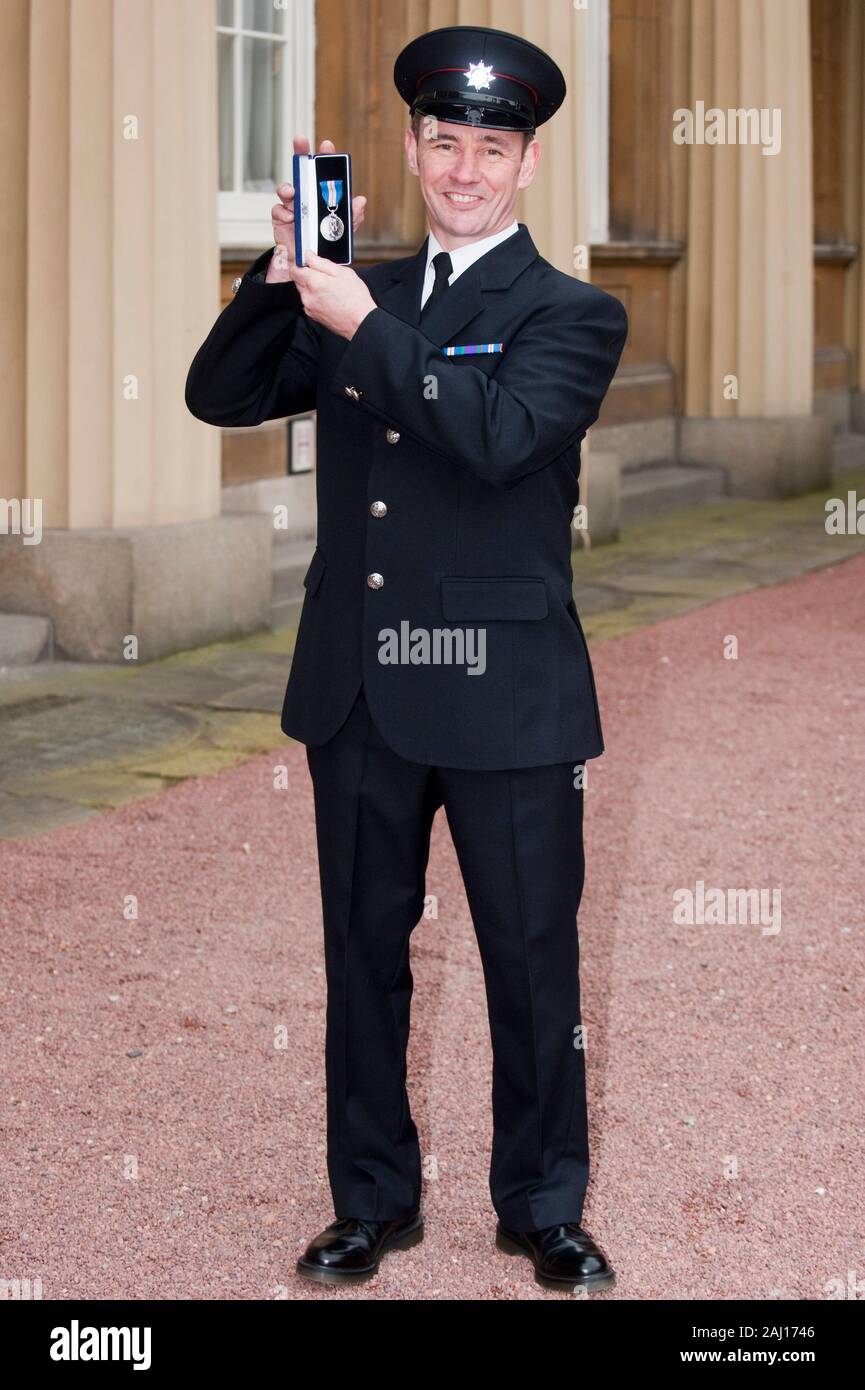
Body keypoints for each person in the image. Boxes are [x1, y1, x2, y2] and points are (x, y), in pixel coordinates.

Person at [185, 24, 628, 1293]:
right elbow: (220, 397)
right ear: (416, 149)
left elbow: (494, 436)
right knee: (360, 960)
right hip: (362, 691)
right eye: (444, 143)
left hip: (510, 698)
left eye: (491, 148)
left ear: (526, 165)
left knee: (531, 962)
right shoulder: (345, 290)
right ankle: (370, 1203)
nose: (464, 169)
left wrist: (360, 314)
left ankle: (544, 1206)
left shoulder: (572, 313)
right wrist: (282, 274)